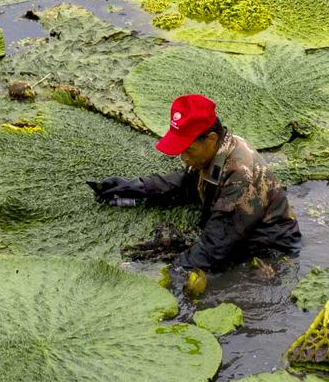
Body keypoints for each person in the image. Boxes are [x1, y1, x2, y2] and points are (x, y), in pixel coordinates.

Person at [88, 94, 302, 278]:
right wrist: (136, 186)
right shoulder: (214, 150)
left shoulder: (241, 174)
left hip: (269, 248)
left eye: (188, 151)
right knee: (150, 250)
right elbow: (185, 184)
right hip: (233, 230)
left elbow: (215, 245)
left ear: (210, 138)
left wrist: (170, 275)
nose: (183, 157)